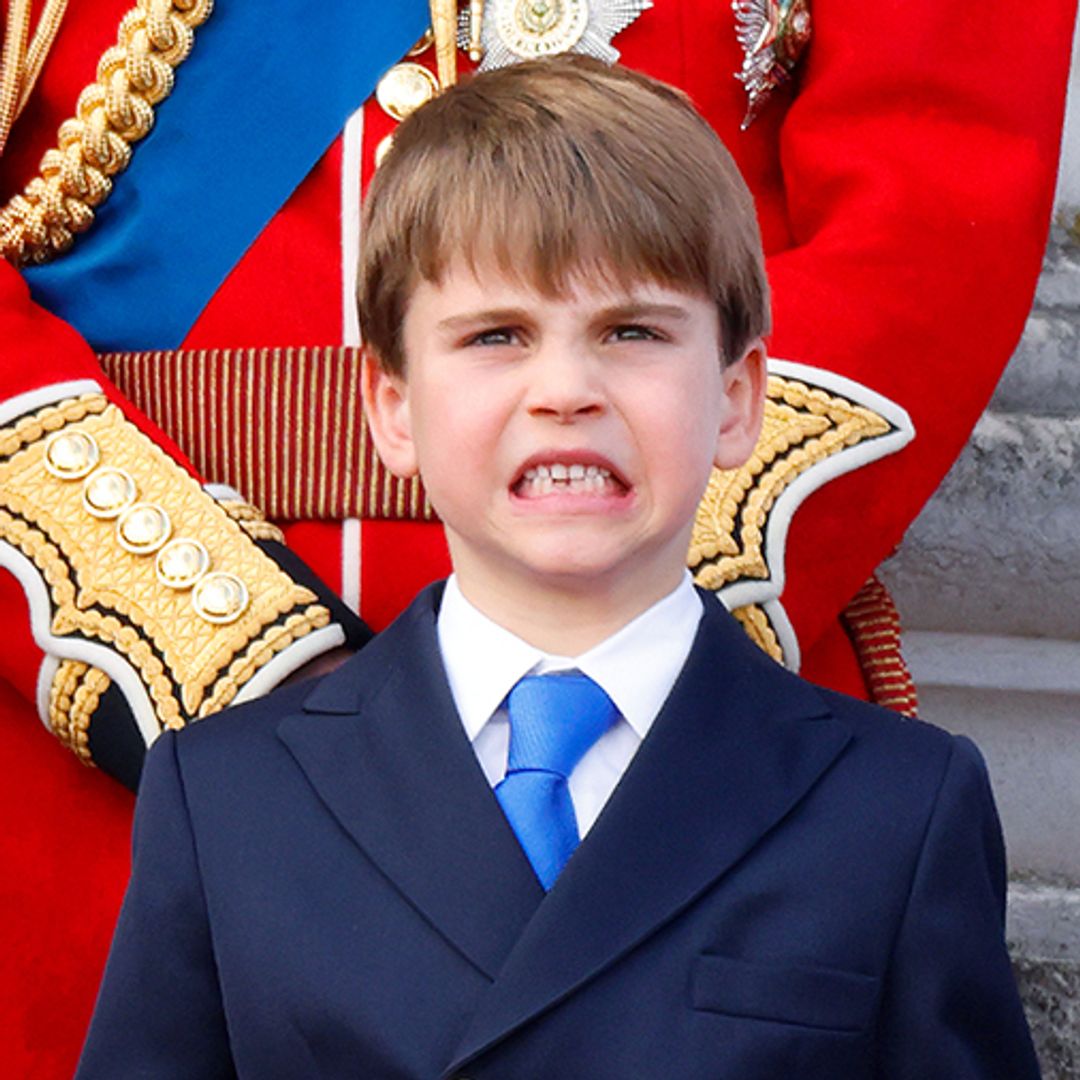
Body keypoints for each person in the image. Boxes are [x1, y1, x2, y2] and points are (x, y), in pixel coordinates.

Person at [0, 2, 1074, 1074]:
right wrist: (200, 633)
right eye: (504, 338)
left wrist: (639, 639)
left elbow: (933, 202)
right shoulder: (219, 801)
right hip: (111, 768)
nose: (562, 392)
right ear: (392, 403)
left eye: (625, 336)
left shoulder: (893, 817)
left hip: (726, 806)